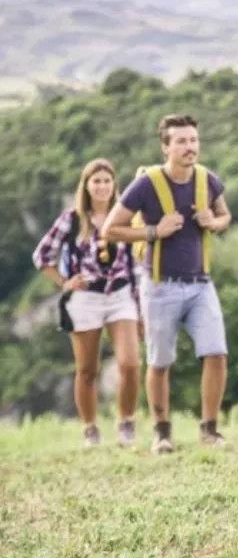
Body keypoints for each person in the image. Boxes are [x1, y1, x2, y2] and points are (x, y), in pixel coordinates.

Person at [103, 114, 232, 454]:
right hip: (159, 286)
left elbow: (225, 216)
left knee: (216, 353)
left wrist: (214, 222)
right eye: (181, 141)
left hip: (201, 284)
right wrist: (153, 231)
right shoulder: (146, 184)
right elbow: (111, 229)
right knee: (160, 362)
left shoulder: (207, 179)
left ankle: (209, 429)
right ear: (165, 147)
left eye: (193, 140)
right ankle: (162, 433)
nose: (190, 147)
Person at [32, 158, 141, 448]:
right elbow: (42, 256)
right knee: (87, 369)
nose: (103, 186)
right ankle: (90, 428)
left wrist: (141, 302)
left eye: (107, 181)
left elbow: (138, 261)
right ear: (87, 186)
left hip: (120, 295)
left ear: (114, 185)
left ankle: (126, 422)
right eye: (97, 181)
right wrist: (65, 282)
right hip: (85, 297)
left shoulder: (126, 216)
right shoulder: (72, 219)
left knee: (130, 363)